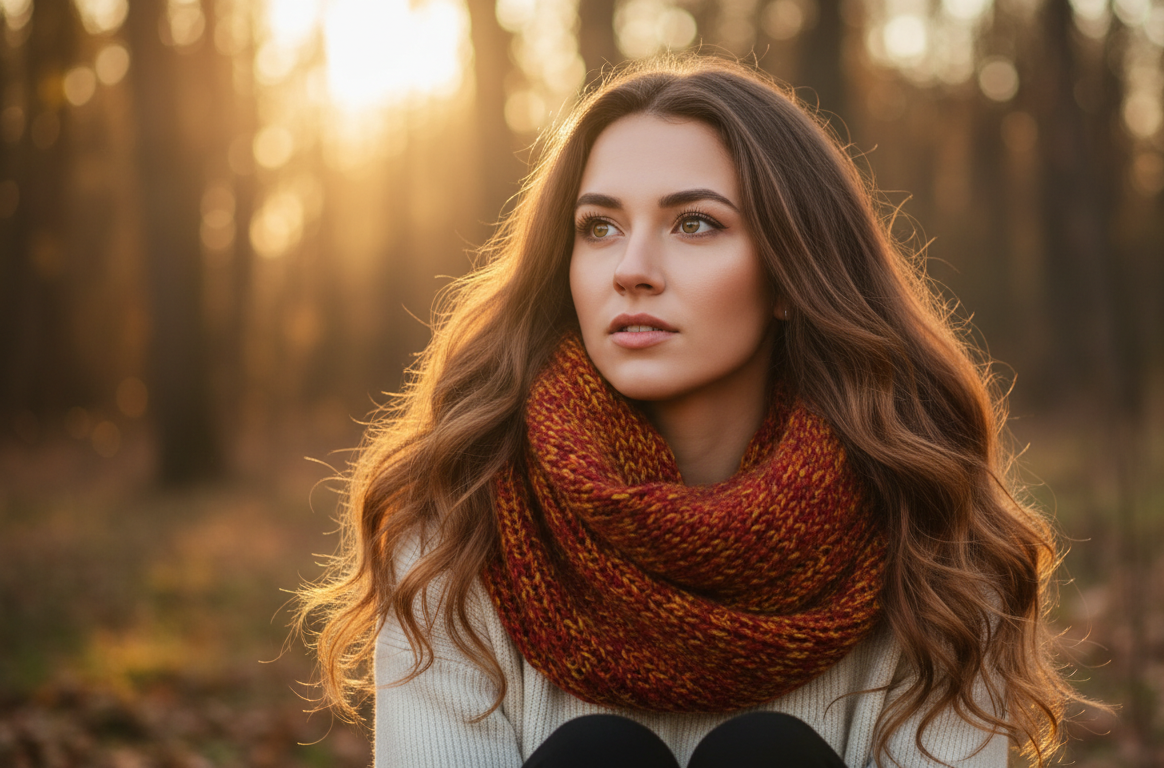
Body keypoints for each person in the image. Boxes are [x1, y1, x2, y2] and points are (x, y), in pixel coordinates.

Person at [295, 55, 1083, 767]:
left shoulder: (922, 527)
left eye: (694, 223)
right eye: (599, 227)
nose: (631, 270)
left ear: (789, 272)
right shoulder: (461, 516)